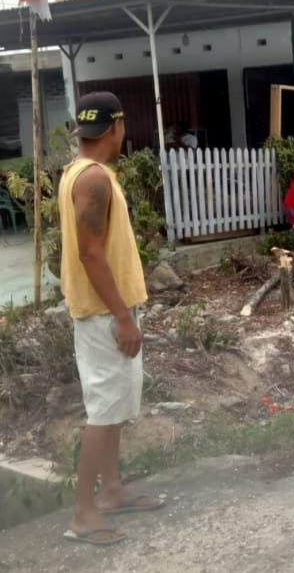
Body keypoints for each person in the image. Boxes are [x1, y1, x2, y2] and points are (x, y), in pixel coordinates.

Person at [58, 91, 164, 547]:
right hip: (104, 313)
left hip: (105, 310)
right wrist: (123, 316)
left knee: (114, 410)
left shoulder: (77, 172)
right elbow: (89, 252)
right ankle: (83, 513)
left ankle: (112, 490)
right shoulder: (94, 178)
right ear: (117, 126)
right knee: (103, 414)